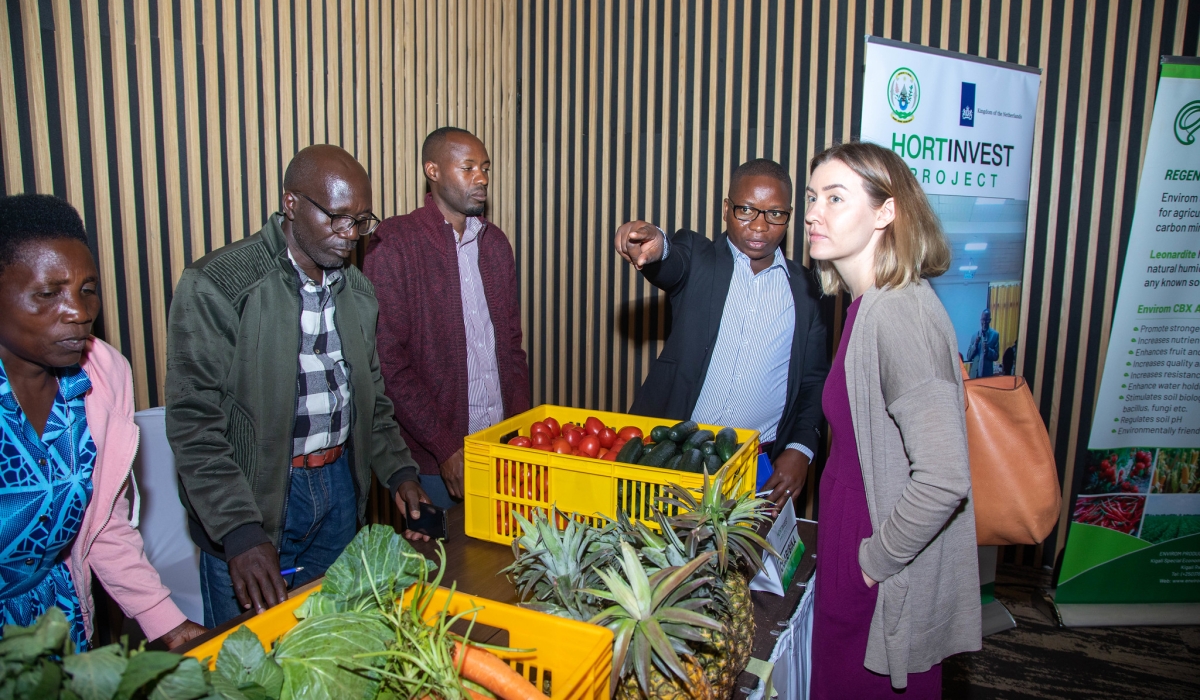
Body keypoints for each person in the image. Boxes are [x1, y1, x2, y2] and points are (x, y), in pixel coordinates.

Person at [166, 145, 431, 628]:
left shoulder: (359, 291)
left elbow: (371, 399)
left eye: (362, 220)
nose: (350, 235)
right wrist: (239, 530)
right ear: (291, 203)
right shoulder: (219, 285)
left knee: (332, 647)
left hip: (338, 493)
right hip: (254, 500)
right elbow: (193, 426)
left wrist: (399, 473)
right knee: (251, 663)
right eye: (336, 218)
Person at [803, 141, 980, 697]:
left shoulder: (898, 313)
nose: (813, 213)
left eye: (835, 197)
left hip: (878, 564)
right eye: (812, 197)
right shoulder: (868, 304)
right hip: (856, 545)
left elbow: (946, 476)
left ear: (885, 212)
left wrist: (872, 563)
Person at [0, 194, 205, 649]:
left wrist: (169, 625)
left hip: (64, 623)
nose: (78, 312)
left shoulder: (104, 375)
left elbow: (104, 527)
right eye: (48, 294)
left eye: (87, 290)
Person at [613, 158, 828, 508]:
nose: (759, 225)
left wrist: (801, 448)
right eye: (746, 210)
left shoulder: (807, 288)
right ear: (726, 209)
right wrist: (655, 246)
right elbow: (672, 262)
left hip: (760, 466)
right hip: (677, 455)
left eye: (775, 214)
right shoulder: (699, 258)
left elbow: (814, 381)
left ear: (789, 216)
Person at [364, 127, 529, 509]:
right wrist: (444, 447)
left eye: (485, 168)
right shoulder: (395, 245)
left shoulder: (496, 244)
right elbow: (388, 364)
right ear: (433, 171)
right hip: (435, 462)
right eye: (468, 168)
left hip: (503, 447)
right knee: (446, 566)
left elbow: (511, 349)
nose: (482, 178)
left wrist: (521, 432)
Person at [965, 308, 1000, 378]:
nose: (984, 322)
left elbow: (996, 356)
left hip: (986, 376)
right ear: (980, 320)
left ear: (990, 320)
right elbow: (968, 357)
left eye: (986, 320)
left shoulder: (995, 335)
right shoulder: (975, 335)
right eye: (983, 320)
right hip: (974, 376)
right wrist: (975, 344)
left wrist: (988, 350)